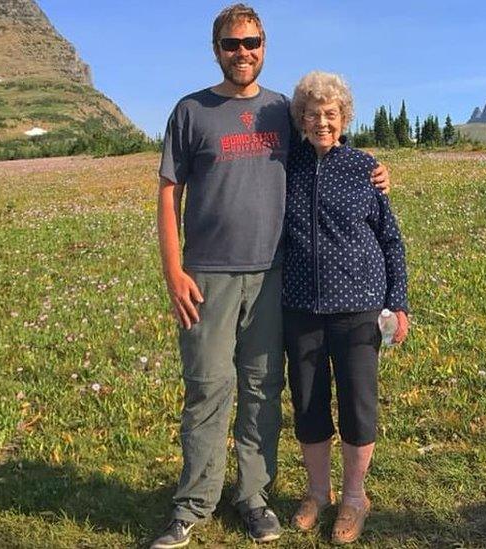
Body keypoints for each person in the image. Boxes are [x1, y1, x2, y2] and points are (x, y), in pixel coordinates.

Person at [151, 6, 389, 548]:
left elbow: (324, 141)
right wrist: (173, 271)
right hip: (206, 276)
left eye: (251, 42)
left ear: (264, 46)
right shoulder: (191, 111)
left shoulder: (282, 110)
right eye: (232, 44)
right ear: (216, 48)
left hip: (272, 277)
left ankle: (254, 497)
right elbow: (169, 192)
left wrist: (372, 168)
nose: (243, 52)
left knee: (263, 389)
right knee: (208, 388)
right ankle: (193, 504)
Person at [282, 71, 410, 545]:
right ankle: (318, 492)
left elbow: (391, 240)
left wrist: (398, 303)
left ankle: (355, 497)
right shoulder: (286, 165)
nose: (321, 122)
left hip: (358, 308)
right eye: (312, 114)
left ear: (344, 118)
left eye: (330, 114)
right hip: (300, 307)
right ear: (300, 118)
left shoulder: (363, 167)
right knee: (309, 403)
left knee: (359, 404)